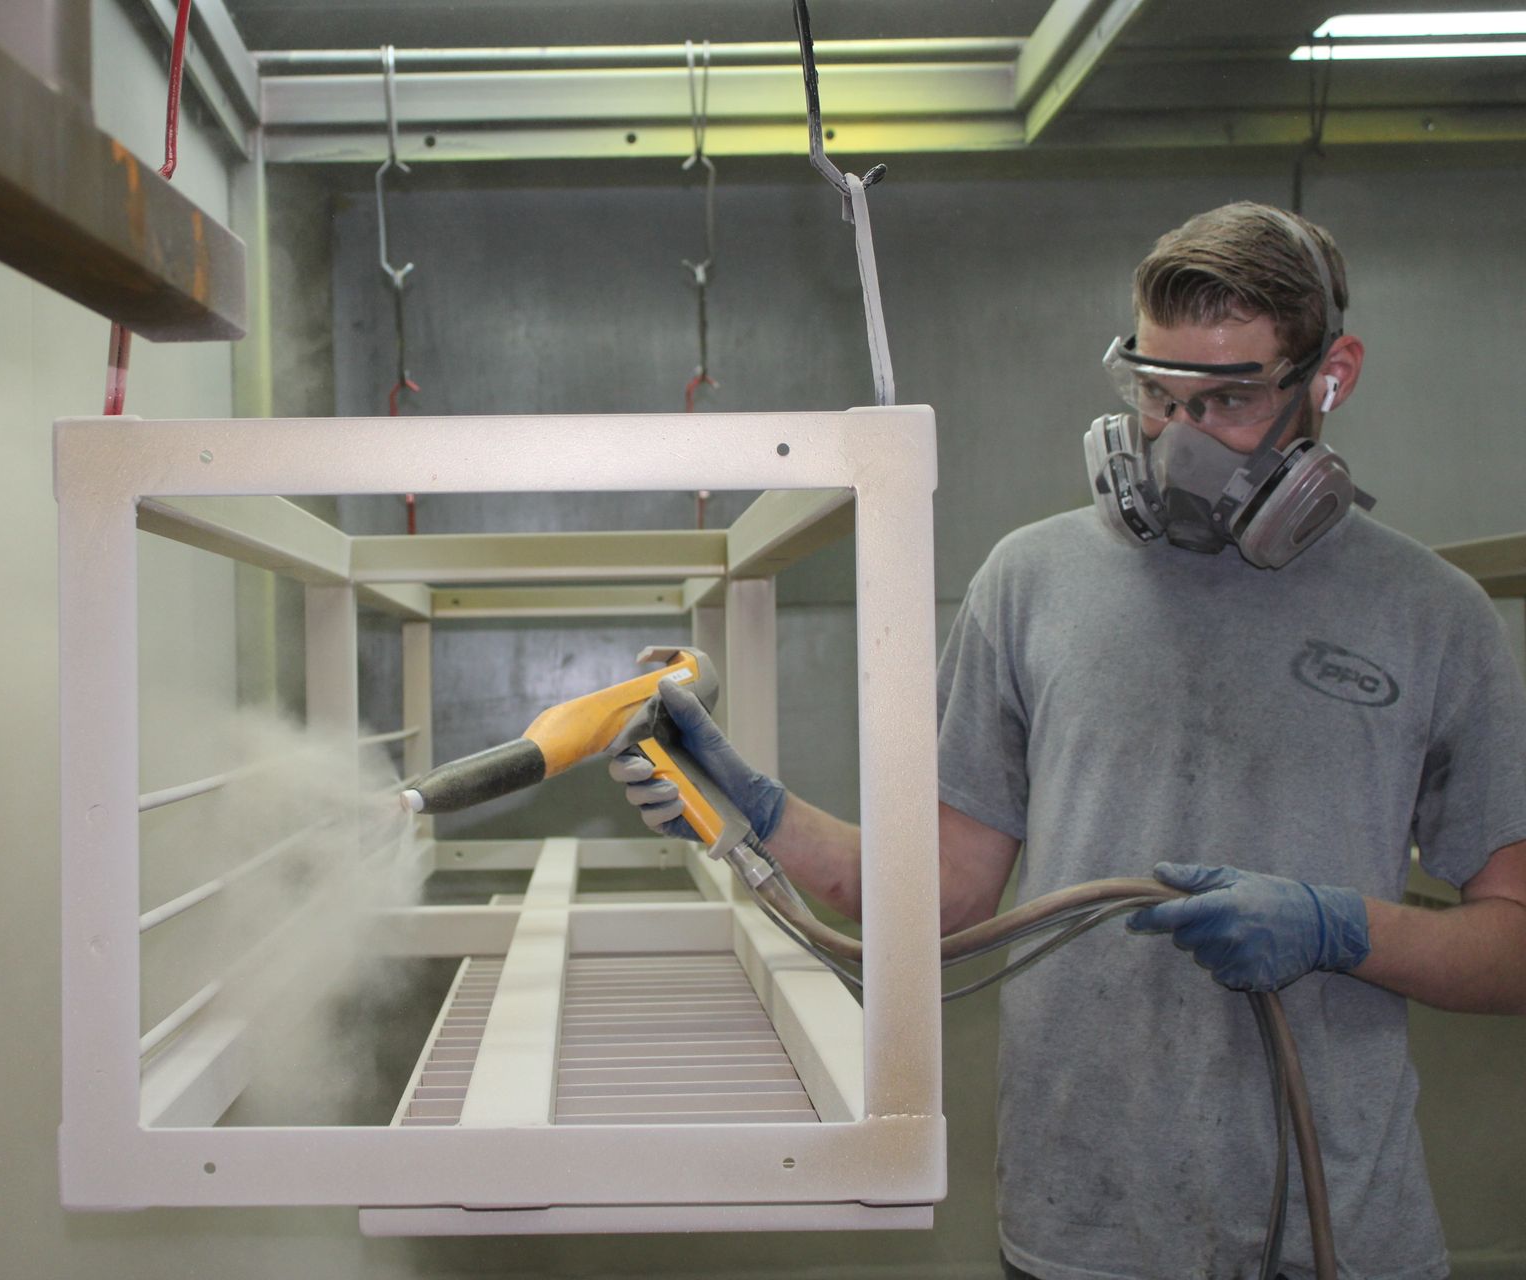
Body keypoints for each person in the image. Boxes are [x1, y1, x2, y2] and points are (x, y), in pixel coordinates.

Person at [612, 202, 1526, 1280]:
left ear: (1331, 377)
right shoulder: (1031, 582)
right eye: (1156, 394)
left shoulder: (1433, 616)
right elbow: (942, 895)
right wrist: (753, 809)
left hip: (1338, 1230)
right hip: (1086, 1221)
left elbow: (1512, 945)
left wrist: (1340, 929)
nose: (1180, 439)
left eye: (1230, 401)